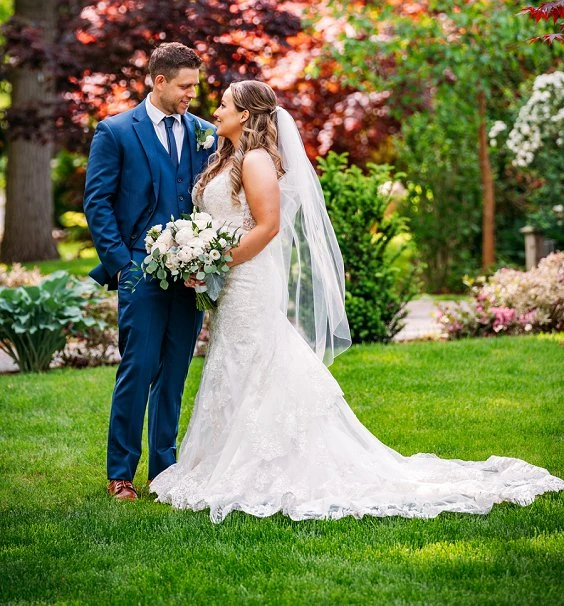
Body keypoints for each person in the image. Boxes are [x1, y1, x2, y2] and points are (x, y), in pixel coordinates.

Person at [150, 79, 564, 522]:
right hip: (232, 282)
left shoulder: (254, 160)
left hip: (248, 278)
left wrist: (217, 260)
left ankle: (270, 464)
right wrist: (196, 253)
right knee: (234, 360)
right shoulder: (227, 158)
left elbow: (267, 226)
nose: (216, 111)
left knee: (258, 358)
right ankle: (223, 458)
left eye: (226, 105)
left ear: (246, 115)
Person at [84, 43, 216, 501]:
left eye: (195, 87)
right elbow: (97, 202)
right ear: (158, 82)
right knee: (138, 368)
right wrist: (122, 265)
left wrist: (206, 257)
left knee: (176, 371)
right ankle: (121, 472)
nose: (191, 96)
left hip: (193, 269)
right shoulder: (116, 131)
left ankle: (165, 468)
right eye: (184, 87)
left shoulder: (206, 133)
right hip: (139, 267)